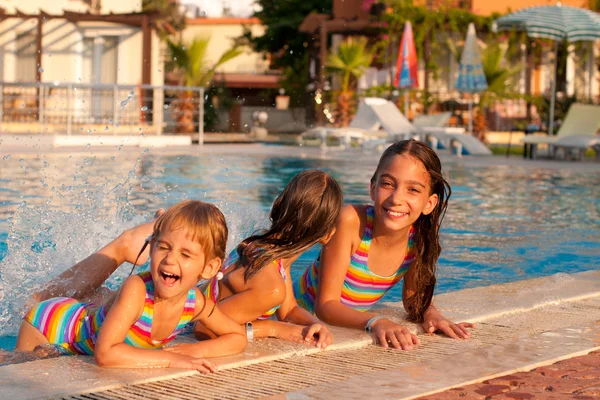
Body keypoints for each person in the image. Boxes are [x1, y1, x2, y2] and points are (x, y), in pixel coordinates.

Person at [15, 200, 246, 372]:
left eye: (185, 254)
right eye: (164, 247)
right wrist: (170, 359)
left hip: (83, 321)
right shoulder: (137, 288)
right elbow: (105, 353)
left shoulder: (194, 301)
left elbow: (237, 337)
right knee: (20, 368)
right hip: (50, 326)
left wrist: (194, 352)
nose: (170, 259)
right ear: (152, 247)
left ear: (208, 268)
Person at [294, 140, 475, 350]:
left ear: (429, 203)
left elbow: (412, 297)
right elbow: (325, 306)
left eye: (413, 190)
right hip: (289, 317)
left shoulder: (418, 238)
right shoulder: (352, 222)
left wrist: (430, 313)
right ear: (372, 188)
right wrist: (375, 322)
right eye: (387, 184)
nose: (397, 198)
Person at [193, 169, 343, 349]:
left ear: (280, 204)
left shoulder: (267, 249)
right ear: (328, 233)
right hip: (181, 326)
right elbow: (204, 328)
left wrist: (316, 325)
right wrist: (274, 329)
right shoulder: (271, 286)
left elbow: (288, 310)